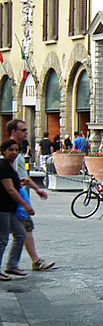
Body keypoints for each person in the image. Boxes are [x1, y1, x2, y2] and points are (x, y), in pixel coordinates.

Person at [7, 120, 53, 273]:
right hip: (14, 197)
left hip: (19, 196)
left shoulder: (18, 150)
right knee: (22, 230)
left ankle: (29, 262)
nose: (26, 132)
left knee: (22, 230)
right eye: (23, 130)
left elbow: (23, 175)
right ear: (14, 131)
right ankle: (32, 261)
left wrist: (36, 189)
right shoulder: (9, 150)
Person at [0, 140, 33, 281]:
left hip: (10, 208)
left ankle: (12, 265)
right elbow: (10, 189)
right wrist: (25, 205)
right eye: (11, 150)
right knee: (2, 239)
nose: (14, 153)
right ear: (4, 151)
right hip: (2, 208)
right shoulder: (3, 166)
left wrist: (20, 183)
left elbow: (12, 185)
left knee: (20, 234)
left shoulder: (9, 166)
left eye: (16, 150)